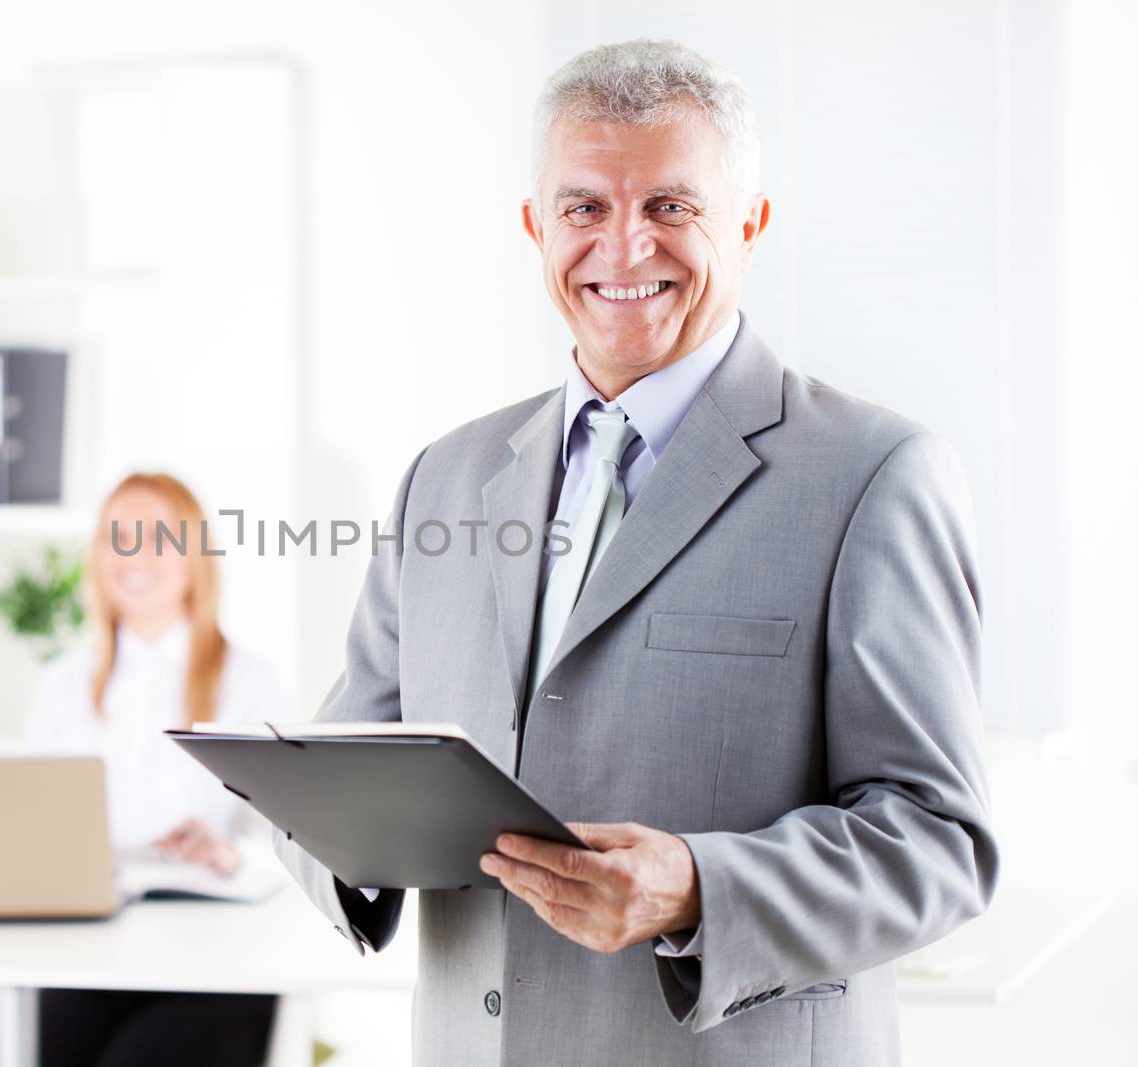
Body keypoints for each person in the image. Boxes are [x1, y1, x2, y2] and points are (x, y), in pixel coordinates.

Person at [275, 38, 998, 1066]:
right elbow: (348, 765)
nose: (623, 248)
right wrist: (318, 825)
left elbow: (939, 840)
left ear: (747, 225)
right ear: (535, 227)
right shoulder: (445, 474)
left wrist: (700, 887)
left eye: (670, 206)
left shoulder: (875, 474)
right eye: (584, 208)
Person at [0, 472, 282, 1067]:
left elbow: (288, 838)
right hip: (94, 951)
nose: (135, 554)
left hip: (215, 961)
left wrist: (227, 853)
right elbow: (29, 821)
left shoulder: (248, 683)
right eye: (118, 536)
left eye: (158, 537)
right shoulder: (65, 684)